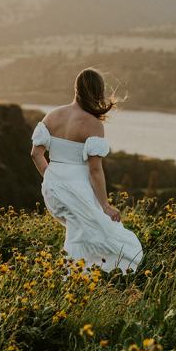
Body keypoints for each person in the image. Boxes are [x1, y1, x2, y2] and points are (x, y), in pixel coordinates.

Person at [30, 68, 143, 272]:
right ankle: (77, 279)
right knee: (105, 234)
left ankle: (77, 277)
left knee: (79, 233)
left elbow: (35, 154)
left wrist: (52, 177)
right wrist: (105, 206)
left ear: (76, 88)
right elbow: (95, 171)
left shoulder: (52, 115)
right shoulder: (93, 125)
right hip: (77, 187)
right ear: (98, 92)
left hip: (52, 187)